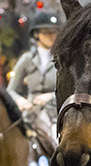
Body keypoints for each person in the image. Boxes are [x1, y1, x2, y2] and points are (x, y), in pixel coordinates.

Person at [7, 12, 62, 146]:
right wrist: (20, 100)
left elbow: (71, 89)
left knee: (55, 140)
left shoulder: (62, 59)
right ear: (36, 34)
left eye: (54, 32)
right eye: (46, 32)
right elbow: (11, 89)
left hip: (54, 114)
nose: (51, 36)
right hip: (29, 114)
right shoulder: (27, 59)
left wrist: (50, 96)